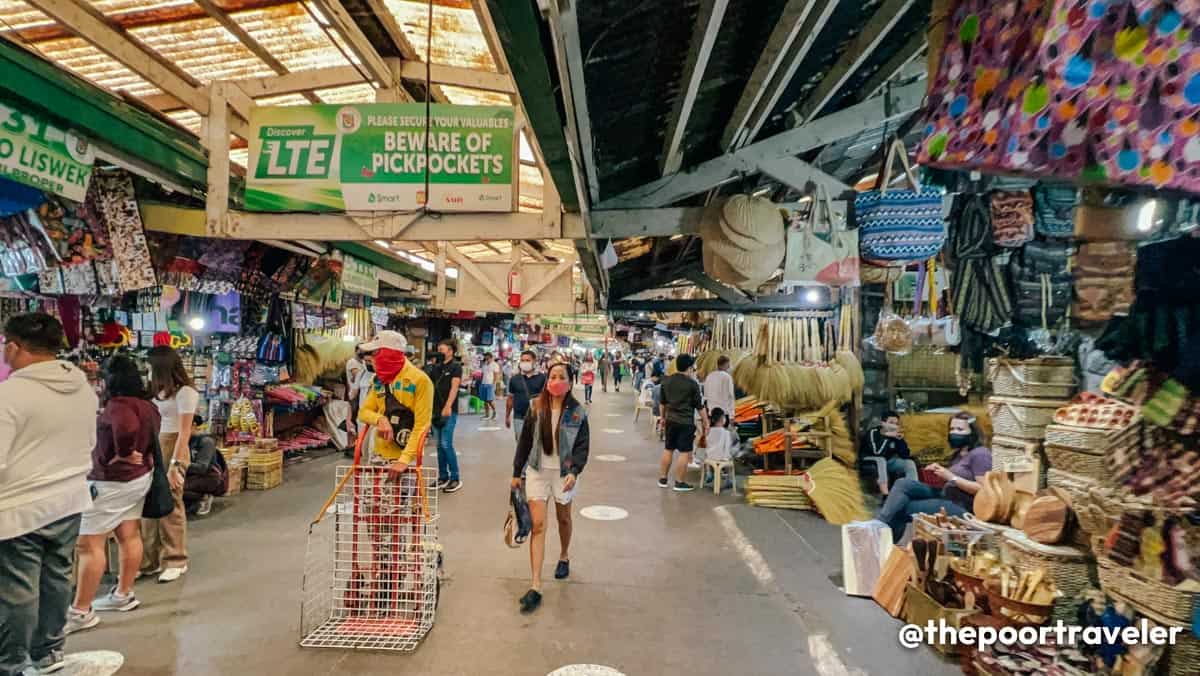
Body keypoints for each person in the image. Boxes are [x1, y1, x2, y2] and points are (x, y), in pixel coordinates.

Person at [0, 314, 98, 675]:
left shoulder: (10, 393)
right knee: (57, 578)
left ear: (14, 346)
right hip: (69, 499)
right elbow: (91, 442)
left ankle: (10, 663)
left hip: (18, 509)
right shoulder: (82, 387)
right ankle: (48, 652)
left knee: (17, 591)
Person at [67, 355, 160, 634]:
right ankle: (123, 594)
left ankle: (81, 611)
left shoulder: (119, 406)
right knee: (128, 534)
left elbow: (126, 428)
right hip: (138, 478)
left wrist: (121, 454)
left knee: (88, 544)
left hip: (112, 483)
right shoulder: (147, 405)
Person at [510, 362, 590, 614]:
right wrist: (516, 473)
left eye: (561, 377)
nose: (556, 380)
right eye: (552, 376)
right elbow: (524, 442)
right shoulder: (536, 406)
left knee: (563, 518)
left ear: (570, 381)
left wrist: (575, 471)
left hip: (564, 474)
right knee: (538, 526)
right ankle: (535, 585)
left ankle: (564, 556)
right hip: (537, 471)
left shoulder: (578, 412)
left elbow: (582, 446)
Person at [876, 413, 992, 543]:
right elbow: (951, 480)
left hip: (961, 506)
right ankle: (879, 527)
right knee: (903, 483)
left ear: (973, 432)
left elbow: (984, 490)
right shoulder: (959, 454)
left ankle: (878, 535)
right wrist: (938, 472)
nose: (954, 433)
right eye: (952, 429)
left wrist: (951, 477)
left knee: (902, 507)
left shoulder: (981, 454)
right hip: (945, 494)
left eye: (960, 429)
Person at [142, 345, 198, 584]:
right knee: (148, 504)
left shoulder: (185, 392)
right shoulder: (156, 390)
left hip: (174, 444)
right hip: (154, 444)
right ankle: (148, 560)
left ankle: (175, 559)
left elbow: (185, 432)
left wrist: (175, 464)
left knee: (170, 503)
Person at [356, 330, 433, 479]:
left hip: (406, 458)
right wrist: (380, 419)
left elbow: (422, 425)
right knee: (372, 501)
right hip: (378, 455)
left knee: (403, 501)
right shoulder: (379, 380)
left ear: (388, 354)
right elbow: (363, 412)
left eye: (374, 354)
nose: (370, 359)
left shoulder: (420, 381)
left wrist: (403, 461)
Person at [658, 354, 709, 492]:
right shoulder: (692, 384)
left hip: (671, 420)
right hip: (685, 422)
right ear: (689, 367)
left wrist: (662, 418)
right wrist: (706, 422)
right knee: (684, 452)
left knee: (668, 449)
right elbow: (699, 406)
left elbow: (662, 403)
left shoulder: (666, 381)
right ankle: (679, 482)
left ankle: (663, 479)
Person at [428, 338, 463, 493]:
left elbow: (454, 388)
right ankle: (443, 477)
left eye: (442, 350)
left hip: (448, 410)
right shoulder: (435, 368)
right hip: (434, 411)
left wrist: (448, 406)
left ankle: (455, 478)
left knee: (446, 444)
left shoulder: (456, 367)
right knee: (438, 445)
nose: (439, 352)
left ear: (450, 351)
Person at [858, 411, 913, 494]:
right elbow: (877, 452)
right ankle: (885, 494)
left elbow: (905, 455)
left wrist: (900, 441)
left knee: (909, 463)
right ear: (883, 423)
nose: (894, 425)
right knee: (881, 460)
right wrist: (886, 436)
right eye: (891, 422)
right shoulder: (873, 433)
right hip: (868, 459)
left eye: (896, 423)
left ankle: (912, 490)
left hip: (887, 461)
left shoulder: (895, 435)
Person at [506, 350, 547, 442]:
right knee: (521, 446)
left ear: (534, 361)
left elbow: (548, 398)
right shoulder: (514, 379)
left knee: (535, 447)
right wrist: (507, 416)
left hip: (537, 417)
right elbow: (510, 398)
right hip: (519, 417)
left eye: (528, 360)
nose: (525, 363)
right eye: (522, 360)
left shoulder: (543, 378)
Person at [701, 408, 737, 490]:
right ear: (722, 419)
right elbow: (727, 448)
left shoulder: (708, 431)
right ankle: (727, 479)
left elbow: (706, 445)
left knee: (710, 455)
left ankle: (709, 472)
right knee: (730, 457)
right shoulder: (726, 432)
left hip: (709, 457)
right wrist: (727, 457)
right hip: (721, 457)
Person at [703, 355, 736, 423]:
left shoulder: (709, 376)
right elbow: (730, 396)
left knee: (713, 433)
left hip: (711, 413)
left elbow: (705, 395)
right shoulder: (727, 377)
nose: (729, 367)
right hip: (723, 414)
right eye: (728, 365)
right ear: (726, 364)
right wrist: (732, 415)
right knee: (722, 433)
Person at [479, 352, 500, 420]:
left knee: (490, 400)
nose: (486, 358)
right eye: (485, 357)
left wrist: (493, 384)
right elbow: (482, 374)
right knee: (485, 400)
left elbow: (496, 375)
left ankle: (495, 413)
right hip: (483, 383)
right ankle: (487, 414)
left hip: (490, 384)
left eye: (487, 357)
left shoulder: (495, 365)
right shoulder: (484, 365)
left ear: (491, 357)